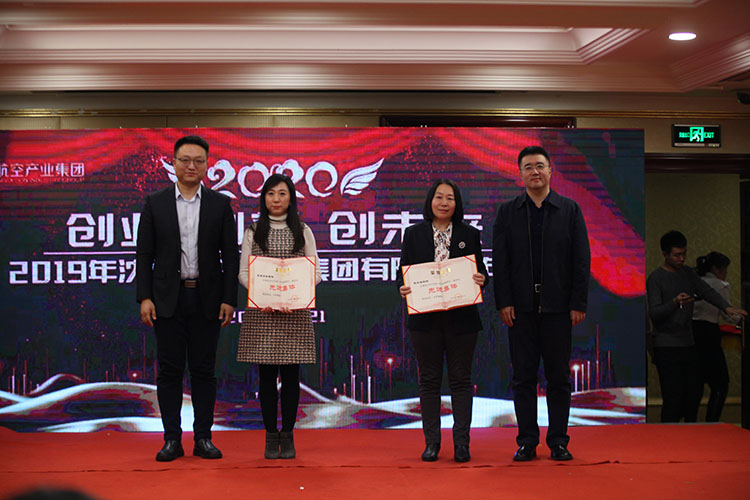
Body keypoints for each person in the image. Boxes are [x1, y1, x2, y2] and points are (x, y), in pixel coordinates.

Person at [136, 135, 239, 462]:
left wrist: (229, 298)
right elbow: (144, 254)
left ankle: (204, 438)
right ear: (174, 163)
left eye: (198, 161)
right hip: (167, 299)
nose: (191, 166)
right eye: (185, 160)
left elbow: (230, 256)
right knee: (169, 372)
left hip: (207, 298)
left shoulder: (220, 204)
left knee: (204, 372)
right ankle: (171, 439)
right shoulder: (155, 203)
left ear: (207, 165)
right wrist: (145, 297)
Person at [492, 145, 590, 462]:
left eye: (540, 166)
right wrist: (504, 302)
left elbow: (581, 260)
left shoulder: (569, 210)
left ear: (550, 171)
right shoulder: (508, 212)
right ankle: (527, 442)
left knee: (559, 378)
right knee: (523, 378)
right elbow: (501, 262)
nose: (535, 171)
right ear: (520, 173)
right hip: (520, 310)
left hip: (558, 309)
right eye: (528, 167)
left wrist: (578, 302)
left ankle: (558, 441)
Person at [397, 179, 488, 463]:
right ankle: (431, 443)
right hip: (425, 320)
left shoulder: (469, 234)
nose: (444, 203)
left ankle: (462, 444)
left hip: (462, 320)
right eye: (439, 197)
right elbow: (402, 273)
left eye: (450, 198)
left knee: (461, 380)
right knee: (429, 381)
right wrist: (403, 287)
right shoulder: (413, 234)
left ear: (457, 203)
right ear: (430, 201)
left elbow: (481, 272)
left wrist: (481, 279)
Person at [237, 174, 321, 460]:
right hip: (263, 313)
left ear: (291, 198)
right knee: (266, 378)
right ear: (263, 198)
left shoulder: (303, 230)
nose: (276, 199)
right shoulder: (253, 231)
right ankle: (270, 435)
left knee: (291, 377)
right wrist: (264, 296)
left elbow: (315, 272)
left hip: (294, 313)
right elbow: (244, 272)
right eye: (271, 194)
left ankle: (288, 434)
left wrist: (293, 297)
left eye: (282, 194)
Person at [647, 232, 746, 423]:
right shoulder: (656, 278)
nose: (682, 258)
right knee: (673, 398)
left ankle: (691, 436)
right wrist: (674, 302)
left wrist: (727, 307)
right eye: (677, 255)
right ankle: (668, 437)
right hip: (666, 345)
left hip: (689, 343)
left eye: (684, 254)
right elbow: (655, 313)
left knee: (693, 395)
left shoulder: (688, 274)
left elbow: (707, 291)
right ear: (665, 254)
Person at [692, 251, 740, 422]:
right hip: (709, 333)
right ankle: (711, 422)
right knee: (720, 383)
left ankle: (690, 422)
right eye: (725, 269)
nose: (726, 273)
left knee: (695, 383)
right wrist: (741, 317)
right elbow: (728, 315)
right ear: (717, 269)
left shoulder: (695, 281)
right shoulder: (720, 285)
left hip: (691, 333)